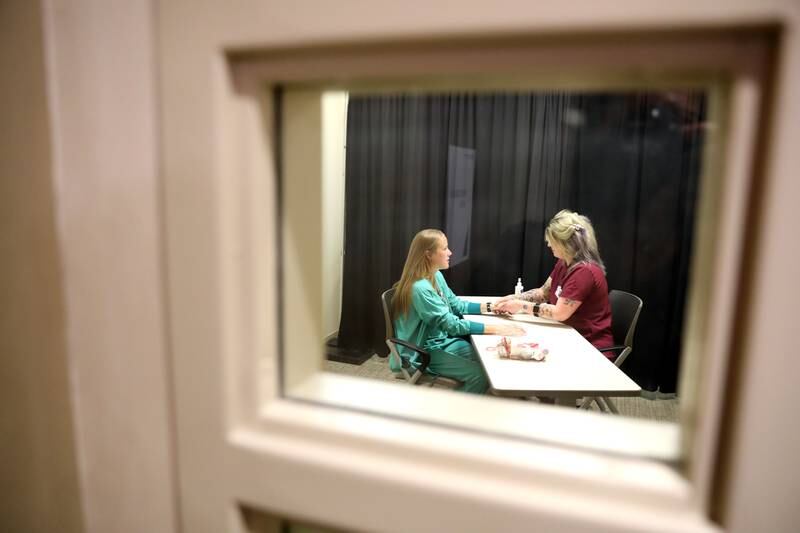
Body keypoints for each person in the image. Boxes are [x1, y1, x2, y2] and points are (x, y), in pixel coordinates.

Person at [393, 229, 525, 394]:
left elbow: (456, 305)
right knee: (481, 376)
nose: (450, 252)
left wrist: (493, 307)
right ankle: (453, 415)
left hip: (441, 342)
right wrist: (496, 329)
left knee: (490, 360)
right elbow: (451, 325)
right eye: (444, 248)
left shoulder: (435, 275)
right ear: (428, 254)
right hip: (424, 351)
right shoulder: (420, 288)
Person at [493, 210, 614, 356]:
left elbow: (559, 314)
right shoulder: (564, 263)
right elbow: (543, 292)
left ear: (565, 243)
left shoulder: (584, 272)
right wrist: (513, 298)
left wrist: (520, 305)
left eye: (552, 240)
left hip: (589, 347)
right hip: (568, 336)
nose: (549, 244)